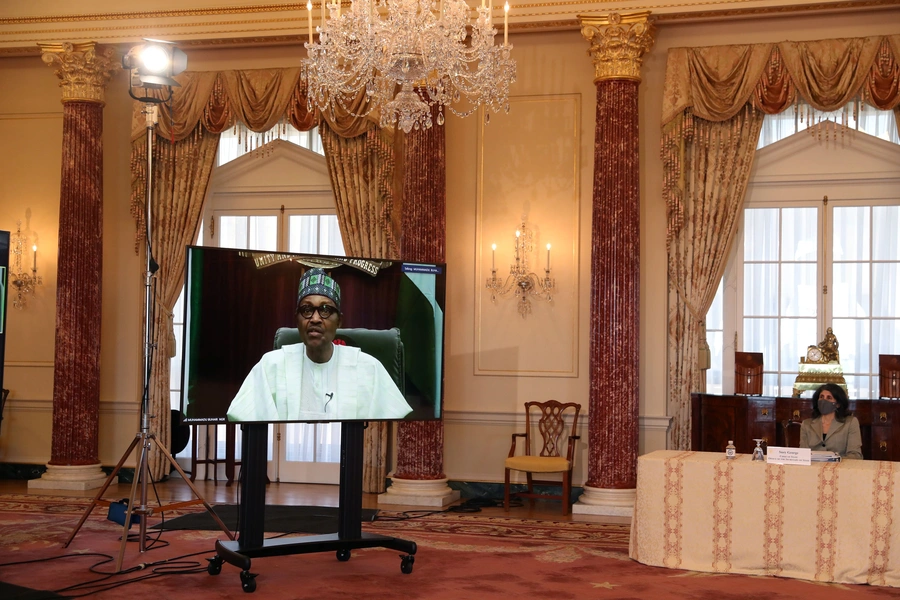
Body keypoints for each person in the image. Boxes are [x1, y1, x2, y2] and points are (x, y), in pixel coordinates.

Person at [227, 268, 413, 422]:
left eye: (325, 310)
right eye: (307, 310)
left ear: (339, 321)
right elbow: (243, 416)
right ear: (297, 319)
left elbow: (393, 423)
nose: (315, 319)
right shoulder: (272, 365)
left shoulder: (368, 367)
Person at [799, 383, 862, 459]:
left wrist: (834, 461)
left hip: (839, 468)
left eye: (829, 398)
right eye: (821, 397)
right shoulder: (806, 424)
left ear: (838, 404)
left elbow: (855, 455)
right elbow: (802, 455)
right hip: (813, 468)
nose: (824, 400)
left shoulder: (850, 422)